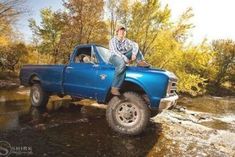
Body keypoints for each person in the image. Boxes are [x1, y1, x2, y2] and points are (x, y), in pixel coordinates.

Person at [109, 26, 150, 95]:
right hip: (114, 57)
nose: (122, 32)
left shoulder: (126, 41)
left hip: (124, 56)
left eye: (124, 31)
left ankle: (140, 62)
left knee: (136, 50)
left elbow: (135, 45)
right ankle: (114, 87)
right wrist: (125, 58)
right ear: (117, 32)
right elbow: (114, 51)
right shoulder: (113, 40)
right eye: (120, 31)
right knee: (122, 64)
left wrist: (133, 54)